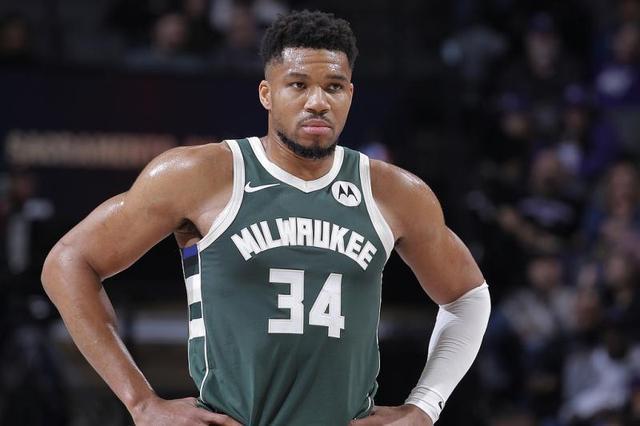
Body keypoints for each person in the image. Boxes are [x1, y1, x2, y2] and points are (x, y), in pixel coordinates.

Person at [41, 10, 491, 426]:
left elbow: (468, 296)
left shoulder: (394, 192)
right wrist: (141, 402)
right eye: (298, 85)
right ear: (267, 94)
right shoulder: (200, 174)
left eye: (334, 87)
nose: (318, 102)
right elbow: (68, 262)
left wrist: (425, 406)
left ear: (351, 95)